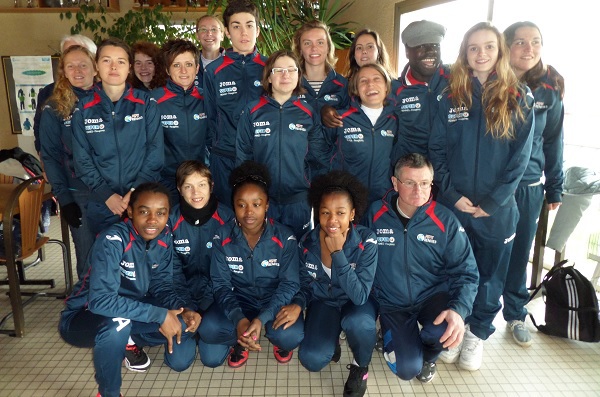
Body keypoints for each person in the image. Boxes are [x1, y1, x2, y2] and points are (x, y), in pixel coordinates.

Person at [429, 22, 534, 372]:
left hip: (498, 209)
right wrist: (451, 193)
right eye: (473, 48)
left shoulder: (519, 97)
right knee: (454, 269)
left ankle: (477, 333)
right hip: (454, 206)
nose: (481, 54)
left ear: (500, 51)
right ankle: (453, 329)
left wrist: (492, 203)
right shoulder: (450, 96)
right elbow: (437, 149)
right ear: (464, 53)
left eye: (488, 46)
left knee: (490, 275)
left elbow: (520, 160)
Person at [58, 182, 200, 397]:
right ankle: (109, 392)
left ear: (168, 215)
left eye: (161, 213)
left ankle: (128, 341)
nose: (153, 220)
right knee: (117, 325)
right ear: (131, 212)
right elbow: (101, 301)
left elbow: (161, 284)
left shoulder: (163, 237)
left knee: (181, 322)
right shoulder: (112, 240)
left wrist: (183, 308)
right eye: (144, 212)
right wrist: (158, 314)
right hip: (84, 316)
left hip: (130, 311)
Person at [363, 153, 479, 384]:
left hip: (431, 297)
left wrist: (459, 310)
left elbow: (467, 272)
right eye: (410, 183)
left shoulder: (445, 220)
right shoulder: (374, 215)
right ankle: (394, 337)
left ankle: (429, 356)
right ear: (395, 183)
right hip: (392, 303)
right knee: (406, 369)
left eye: (425, 183)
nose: (419, 191)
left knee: (443, 330)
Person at [197, 161, 303, 368]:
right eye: (241, 204)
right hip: (239, 300)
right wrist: (239, 319)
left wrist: (262, 318)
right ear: (233, 205)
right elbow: (220, 285)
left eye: (256, 204)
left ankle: (272, 337)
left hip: (274, 302)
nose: (248, 212)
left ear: (267, 205)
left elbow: (290, 284)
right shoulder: (222, 237)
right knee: (208, 334)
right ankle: (243, 337)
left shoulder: (286, 237)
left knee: (290, 336)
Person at [501, 21, 565, 347]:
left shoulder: (549, 92)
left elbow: (554, 141)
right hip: (493, 189)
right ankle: (469, 316)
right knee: (484, 254)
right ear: (506, 46)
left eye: (536, 42)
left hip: (527, 189)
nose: (529, 49)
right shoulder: (489, 84)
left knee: (519, 254)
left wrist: (555, 187)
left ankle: (514, 312)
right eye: (521, 42)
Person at [287, 170, 377, 397]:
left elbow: (359, 296)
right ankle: (332, 335)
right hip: (324, 302)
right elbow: (305, 285)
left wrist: (338, 252)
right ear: (317, 213)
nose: (332, 220)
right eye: (325, 212)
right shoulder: (307, 242)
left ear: (353, 214)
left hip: (356, 303)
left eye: (340, 212)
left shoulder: (367, 241)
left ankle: (360, 366)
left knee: (359, 323)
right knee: (312, 359)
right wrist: (298, 303)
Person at [71, 38, 163, 236]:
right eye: (106, 60)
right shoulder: (83, 109)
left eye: (120, 61)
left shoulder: (146, 103)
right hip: (101, 201)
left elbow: (155, 152)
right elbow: (81, 159)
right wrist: (107, 195)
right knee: (106, 260)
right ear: (96, 66)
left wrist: (135, 191)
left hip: (141, 198)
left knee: (143, 260)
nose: (113, 67)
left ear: (129, 67)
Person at [236, 50, 321, 238]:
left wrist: (307, 184)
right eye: (279, 70)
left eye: (291, 70)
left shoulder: (308, 113)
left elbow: (317, 157)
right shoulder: (252, 111)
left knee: (299, 253)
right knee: (265, 255)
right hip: (263, 201)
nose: (285, 75)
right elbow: (243, 156)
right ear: (269, 77)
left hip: (299, 201)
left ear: (298, 76)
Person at [162, 161, 233, 367]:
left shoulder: (227, 218)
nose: (195, 192)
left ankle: (206, 329)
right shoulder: (169, 220)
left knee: (212, 360)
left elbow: (227, 274)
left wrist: (202, 311)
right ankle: (193, 329)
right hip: (181, 300)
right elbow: (170, 272)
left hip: (216, 300)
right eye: (188, 186)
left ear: (211, 186)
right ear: (179, 189)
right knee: (178, 363)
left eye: (201, 184)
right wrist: (186, 309)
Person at [39, 45, 97, 280]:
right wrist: (64, 199)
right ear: (63, 71)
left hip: (113, 194)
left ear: (95, 68)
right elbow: (51, 157)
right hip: (78, 195)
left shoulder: (108, 100)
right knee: (87, 257)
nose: (78, 70)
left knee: (119, 252)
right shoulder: (54, 109)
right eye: (71, 66)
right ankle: (86, 311)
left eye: (83, 64)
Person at [203, 0, 267, 207]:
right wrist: (219, 146)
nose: (243, 32)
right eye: (236, 26)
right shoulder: (213, 71)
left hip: (263, 156)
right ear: (228, 32)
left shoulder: (270, 67)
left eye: (249, 25)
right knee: (228, 214)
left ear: (257, 30)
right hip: (225, 157)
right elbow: (210, 116)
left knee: (263, 214)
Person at [320, 63, 400, 204]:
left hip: (382, 200)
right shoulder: (339, 119)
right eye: (363, 81)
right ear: (356, 89)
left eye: (376, 79)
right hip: (347, 199)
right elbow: (321, 151)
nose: (370, 85)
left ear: (387, 86)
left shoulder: (394, 120)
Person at [152, 39, 207, 201]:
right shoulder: (152, 101)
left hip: (200, 180)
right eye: (176, 65)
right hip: (166, 180)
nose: (183, 70)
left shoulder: (207, 98)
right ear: (167, 70)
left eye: (189, 64)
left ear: (197, 68)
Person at [292, 20, 349, 175]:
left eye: (320, 42)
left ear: (328, 47)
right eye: (307, 43)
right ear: (300, 48)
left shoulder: (343, 85)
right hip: (297, 169)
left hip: (334, 169)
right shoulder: (290, 84)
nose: (314, 48)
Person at [393, 20, 449, 159]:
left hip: (450, 172)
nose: (431, 51)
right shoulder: (394, 89)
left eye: (435, 45)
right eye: (422, 45)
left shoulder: (457, 81)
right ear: (407, 51)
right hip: (410, 174)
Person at [34, 34, 97, 155]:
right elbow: (40, 131)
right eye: (67, 53)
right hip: (66, 165)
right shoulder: (49, 93)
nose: (74, 55)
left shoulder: (107, 92)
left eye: (80, 51)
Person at [321, 28, 395, 128]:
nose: (364, 51)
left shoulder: (395, 86)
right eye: (359, 48)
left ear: (379, 51)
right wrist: (325, 110)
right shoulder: (343, 86)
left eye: (370, 47)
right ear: (354, 55)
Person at [195, 14, 226, 88]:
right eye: (203, 29)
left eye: (214, 29)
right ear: (197, 36)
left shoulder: (234, 63)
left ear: (222, 35)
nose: (209, 33)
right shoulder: (190, 63)